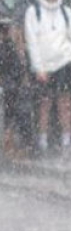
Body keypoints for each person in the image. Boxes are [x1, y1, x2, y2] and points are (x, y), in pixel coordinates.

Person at [24, 0, 71, 153]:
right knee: (45, 103)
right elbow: (31, 41)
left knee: (65, 102)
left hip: (63, 64)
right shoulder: (33, 12)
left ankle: (66, 139)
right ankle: (43, 139)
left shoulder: (67, 12)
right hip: (43, 67)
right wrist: (39, 67)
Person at [1, 17, 32, 159]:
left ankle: (15, 146)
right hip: (12, 89)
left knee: (13, 117)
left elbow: (19, 70)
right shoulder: (8, 48)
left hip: (14, 89)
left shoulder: (11, 48)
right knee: (12, 117)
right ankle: (12, 146)